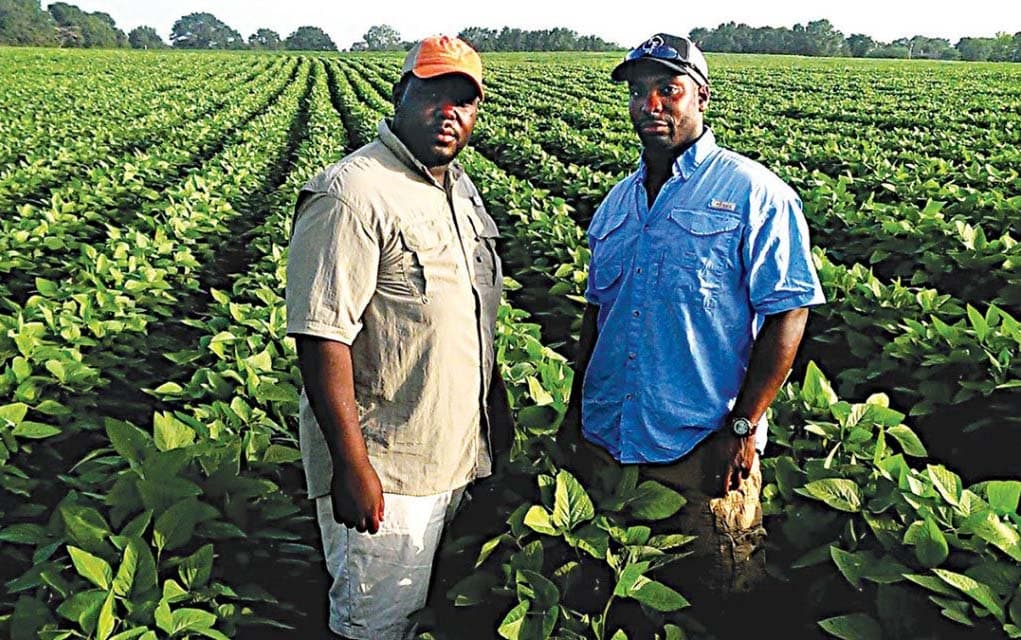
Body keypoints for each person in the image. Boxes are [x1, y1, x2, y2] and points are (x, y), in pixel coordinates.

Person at [561, 33, 826, 602]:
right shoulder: (616, 203)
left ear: (701, 98)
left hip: (700, 452)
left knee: (713, 600)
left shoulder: (755, 193)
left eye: (668, 89)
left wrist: (744, 425)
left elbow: (788, 313)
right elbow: (597, 318)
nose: (651, 104)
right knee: (616, 604)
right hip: (609, 442)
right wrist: (575, 411)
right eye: (638, 92)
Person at [285, 35, 511, 640]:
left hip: (459, 455)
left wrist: (497, 418)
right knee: (375, 624)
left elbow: (472, 319)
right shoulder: (352, 192)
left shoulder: (459, 190)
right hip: (389, 469)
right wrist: (352, 466)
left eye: (464, 102)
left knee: (427, 617)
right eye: (434, 94)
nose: (449, 113)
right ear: (400, 95)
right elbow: (321, 336)